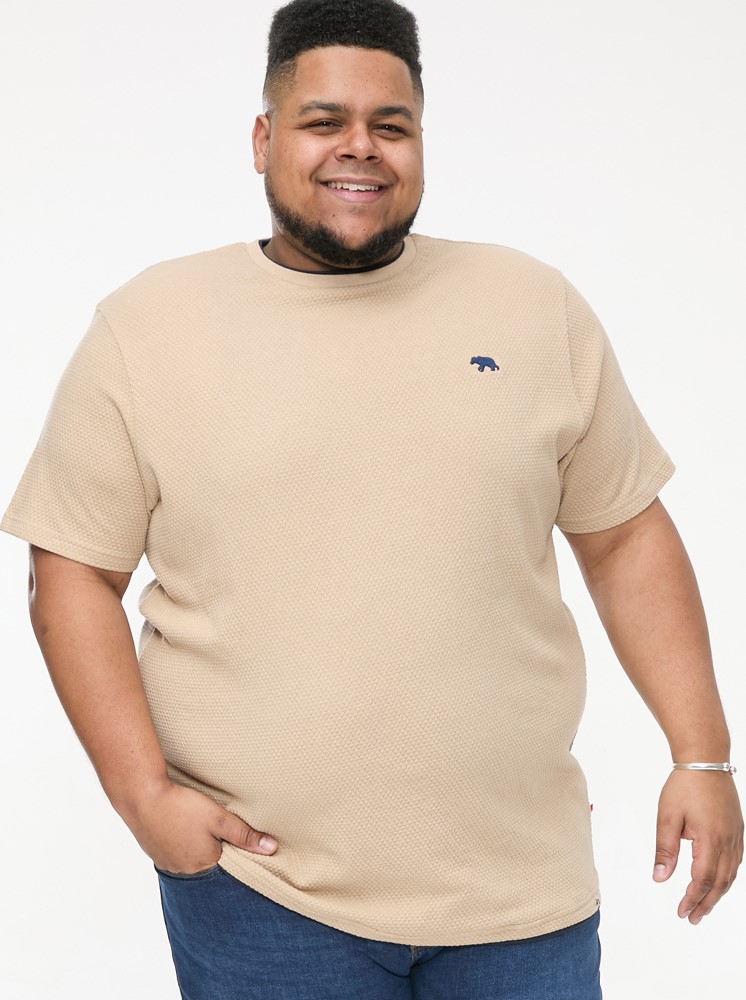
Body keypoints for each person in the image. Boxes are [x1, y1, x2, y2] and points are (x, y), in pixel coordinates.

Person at [2, 0, 742, 997]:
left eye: (390, 125)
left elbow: (623, 539)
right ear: (262, 140)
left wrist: (701, 756)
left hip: (521, 895)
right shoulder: (149, 330)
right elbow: (70, 572)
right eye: (324, 121)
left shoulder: (532, 308)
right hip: (264, 894)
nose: (360, 147)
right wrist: (143, 798)